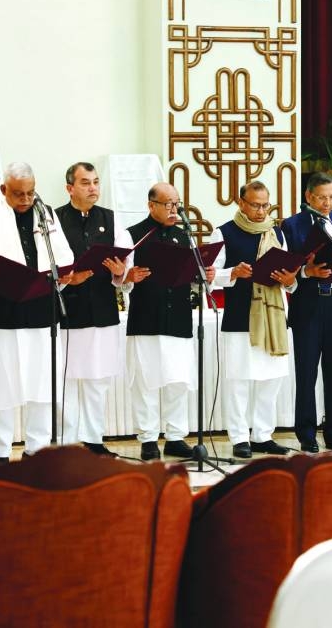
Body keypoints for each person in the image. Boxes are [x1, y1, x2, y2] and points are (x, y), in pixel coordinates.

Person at [0, 162, 77, 465]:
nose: (26, 199)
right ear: (4, 189)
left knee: (42, 386)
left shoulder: (45, 212)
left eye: (30, 192)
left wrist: (65, 273)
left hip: (41, 311)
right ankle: (0, 453)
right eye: (18, 194)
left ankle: (36, 450)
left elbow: (63, 254)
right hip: (1, 313)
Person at [207, 181, 296, 458]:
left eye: (265, 205)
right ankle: (239, 437)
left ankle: (262, 435)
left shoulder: (276, 233)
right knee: (239, 381)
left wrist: (289, 279)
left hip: (274, 316)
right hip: (239, 315)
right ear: (241, 203)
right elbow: (209, 275)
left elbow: (290, 277)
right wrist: (232, 273)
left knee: (271, 379)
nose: (261, 211)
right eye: (255, 205)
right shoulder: (223, 232)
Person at [126, 182, 214, 461]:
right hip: (146, 317)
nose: (174, 209)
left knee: (178, 380)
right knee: (147, 382)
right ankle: (148, 438)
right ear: (151, 205)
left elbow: (193, 276)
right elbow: (122, 279)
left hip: (178, 315)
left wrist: (205, 275)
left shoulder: (184, 236)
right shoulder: (133, 235)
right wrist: (128, 276)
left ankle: (175, 437)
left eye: (176, 204)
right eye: (167, 204)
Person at [281, 172, 332, 453]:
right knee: (306, 373)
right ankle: (306, 433)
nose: (327, 203)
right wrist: (307, 272)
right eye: (321, 198)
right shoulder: (292, 225)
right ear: (308, 197)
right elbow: (287, 268)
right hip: (309, 304)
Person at [55, 162, 133, 456]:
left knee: (97, 379)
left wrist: (120, 271)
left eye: (96, 182)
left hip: (102, 310)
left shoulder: (110, 219)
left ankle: (94, 439)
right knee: (67, 379)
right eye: (85, 182)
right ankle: (65, 442)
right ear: (70, 188)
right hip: (68, 310)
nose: (93, 188)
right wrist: (67, 279)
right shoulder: (54, 220)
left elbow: (126, 267)